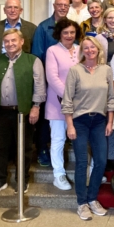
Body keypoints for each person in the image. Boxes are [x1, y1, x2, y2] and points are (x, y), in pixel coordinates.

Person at [0, 29, 46, 194]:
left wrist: (36, 107)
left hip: (23, 112)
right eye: (7, 41)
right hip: (0, 111)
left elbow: (39, 87)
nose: (10, 44)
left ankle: (22, 180)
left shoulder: (33, 60)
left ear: (22, 41)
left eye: (13, 40)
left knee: (23, 148)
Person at [61, 36, 114, 220]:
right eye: (86, 47)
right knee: (82, 162)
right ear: (82, 51)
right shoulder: (75, 70)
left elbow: (111, 99)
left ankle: (92, 198)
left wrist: (110, 121)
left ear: (98, 49)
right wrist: (70, 126)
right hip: (80, 122)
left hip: (99, 121)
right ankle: (82, 203)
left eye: (93, 47)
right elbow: (67, 100)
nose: (90, 50)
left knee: (100, 160)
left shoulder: (106, 70)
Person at [31, 0, 71, 167]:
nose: (62, 7)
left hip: (67, 82)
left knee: (66, 116)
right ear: (54, 6)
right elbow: (37, 57)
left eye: (66, 5)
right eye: (59, 5)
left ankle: (63, 147)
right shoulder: (43, 27)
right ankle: (42, 149)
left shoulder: (72, 27)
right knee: (46, 119)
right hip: (47, 82)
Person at [45, 18, 81, 191]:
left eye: (72, 32)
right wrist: (69, 97)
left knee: (83, 139)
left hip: (81, 103)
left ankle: (87, 170)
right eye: (65, 32)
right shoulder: (52, 51)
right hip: (57, 103)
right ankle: (58, 174)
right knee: (58, 139)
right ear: (59, 33)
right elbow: (52, 78)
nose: (69, 35)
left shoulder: (81, 50)